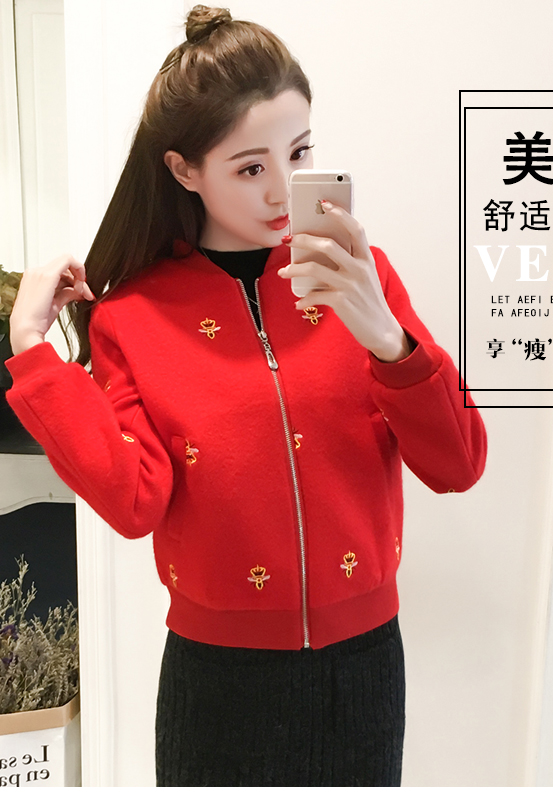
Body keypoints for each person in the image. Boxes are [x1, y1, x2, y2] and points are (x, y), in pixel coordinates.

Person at [5, 4, 487, 787]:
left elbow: (459, 464)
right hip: (216, 682)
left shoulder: (360, 278)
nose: (282, 190)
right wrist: (34, 351)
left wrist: (387, 339)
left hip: (363, 669)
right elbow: (132, 501)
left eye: (299, 153)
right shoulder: (133, 315)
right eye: (250, 167)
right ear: (183, 170)